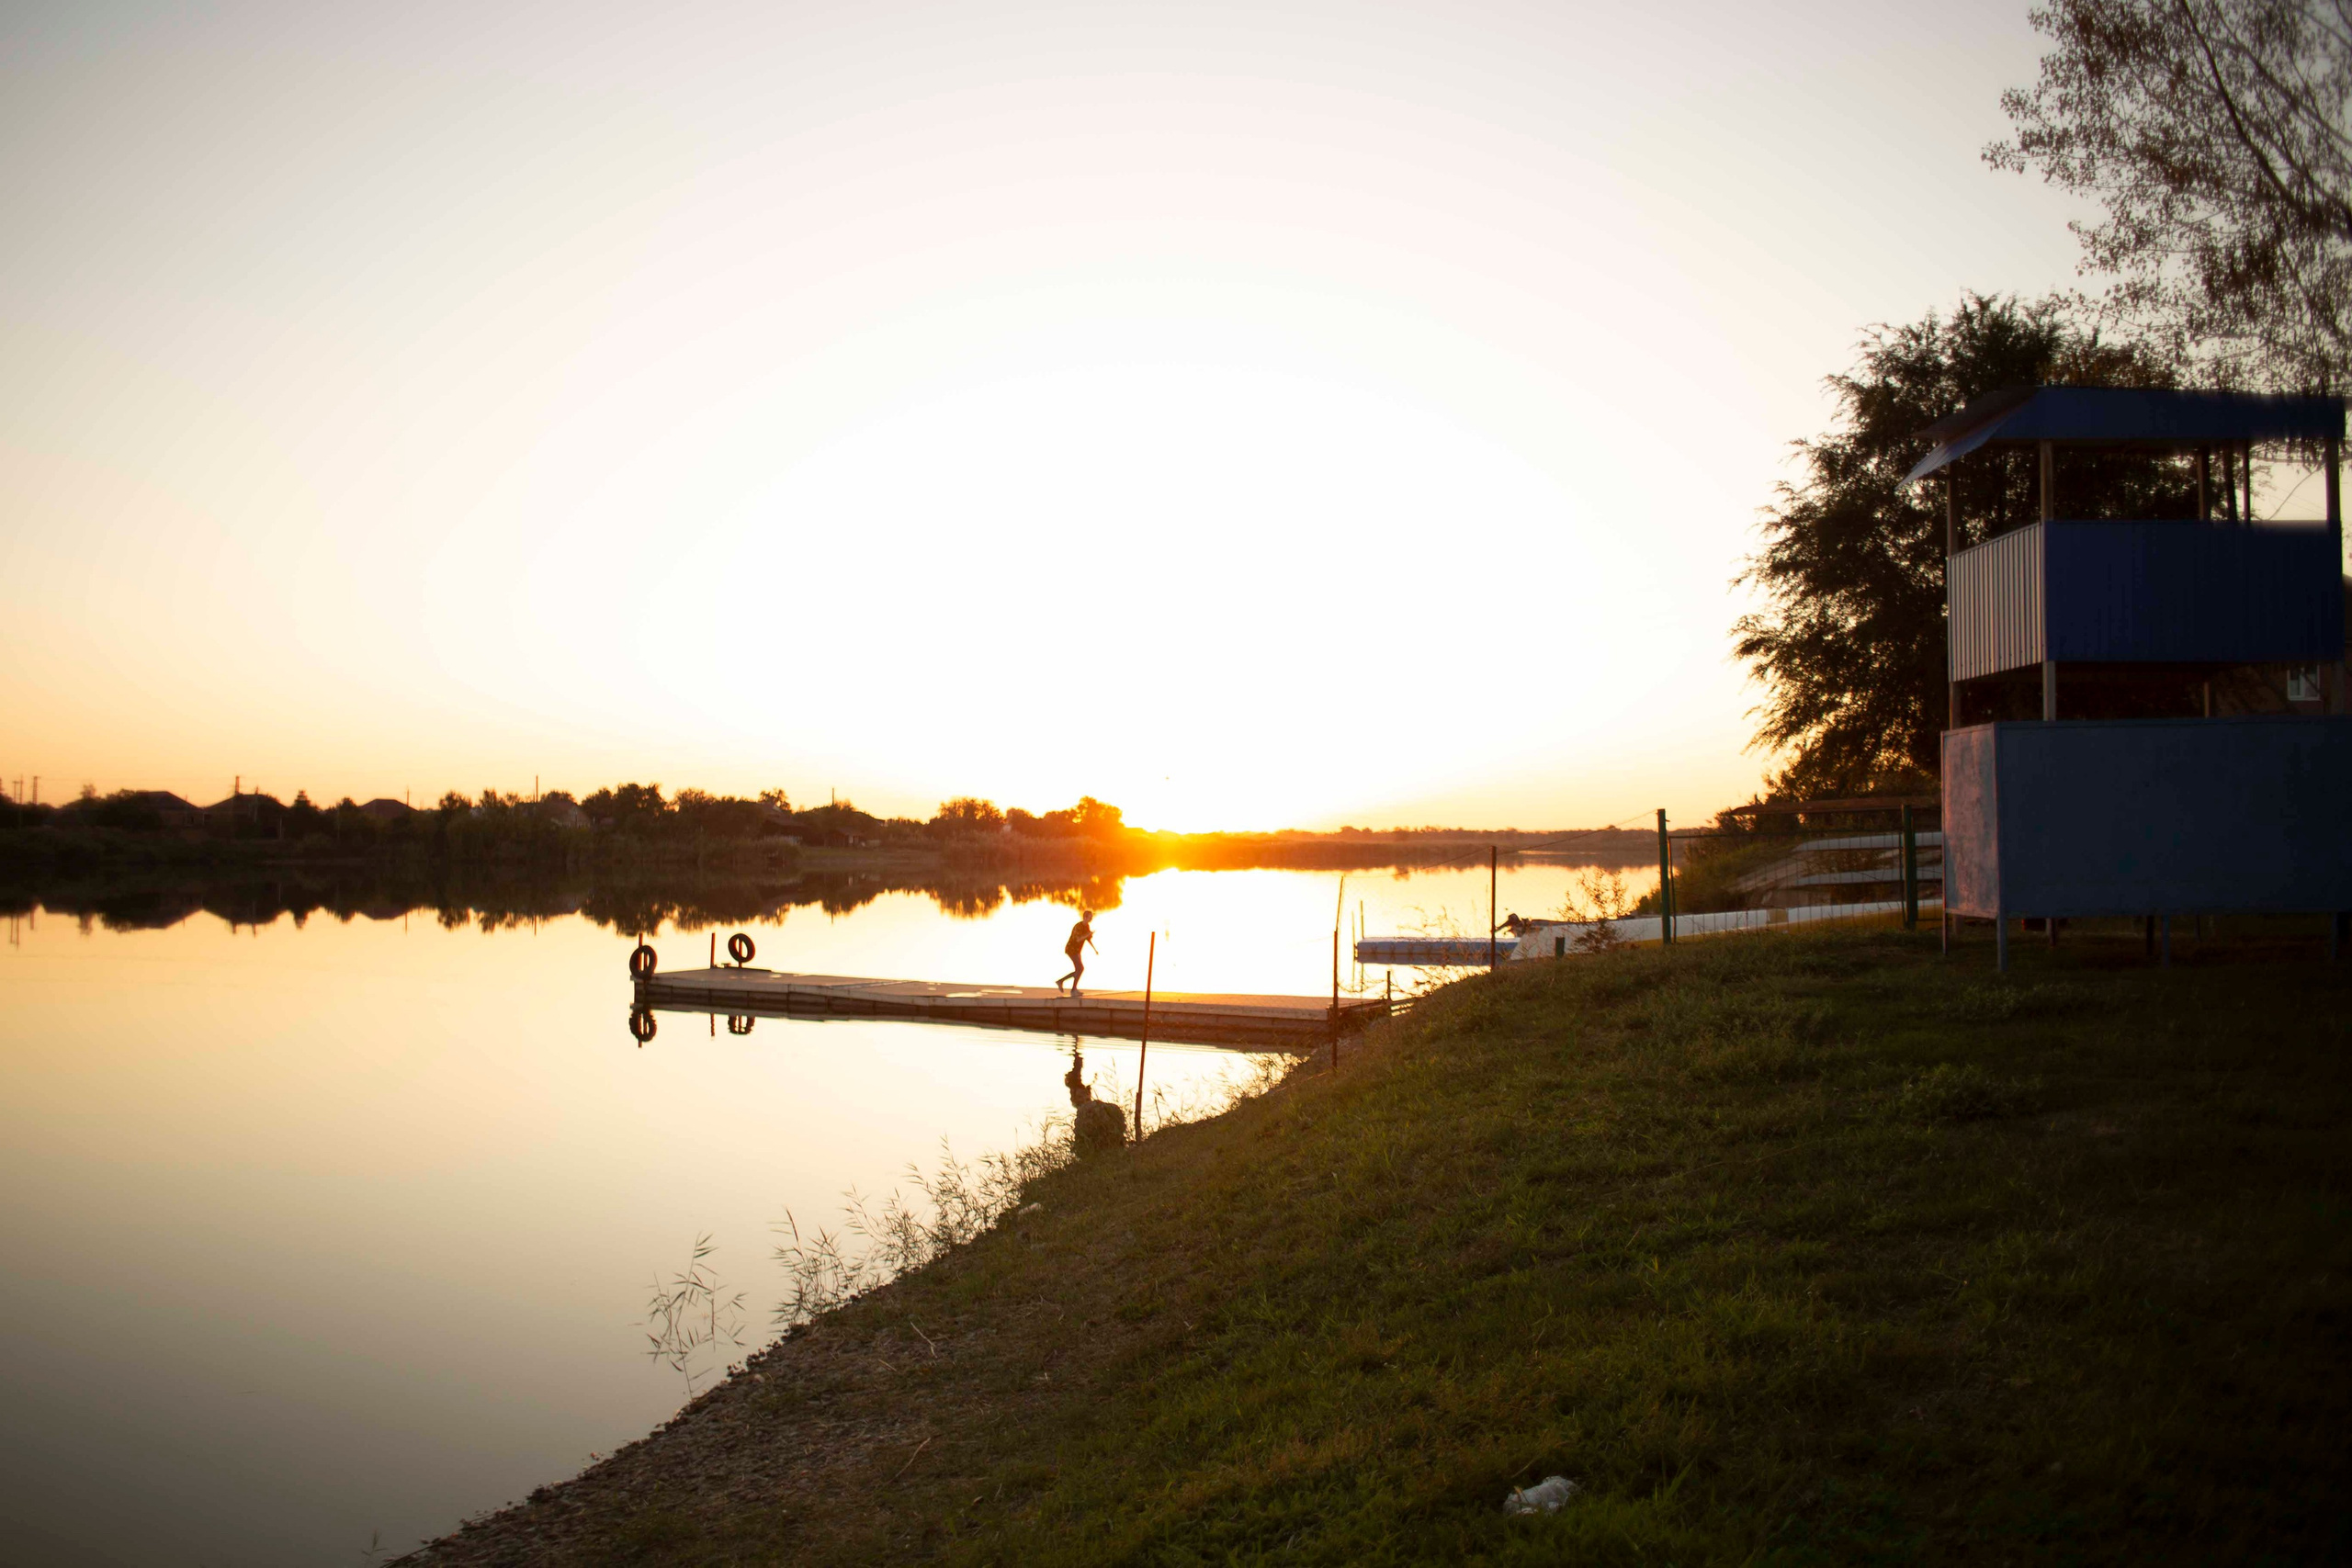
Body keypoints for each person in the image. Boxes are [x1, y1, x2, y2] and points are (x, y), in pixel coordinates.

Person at [1056, 909, 1097, 996]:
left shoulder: (1086, 926)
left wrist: (1094, 949)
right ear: (1085, 917)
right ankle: (1072, 989)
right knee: (1080, 968)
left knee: (1079, 969)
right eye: (1090, 917)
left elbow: (1087, 938)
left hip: (1077, 950)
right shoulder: (1078, 926)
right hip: (1071, 949)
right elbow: (1078, 939)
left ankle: (1065, 984)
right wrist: (1088, 934)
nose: (1091, 918)